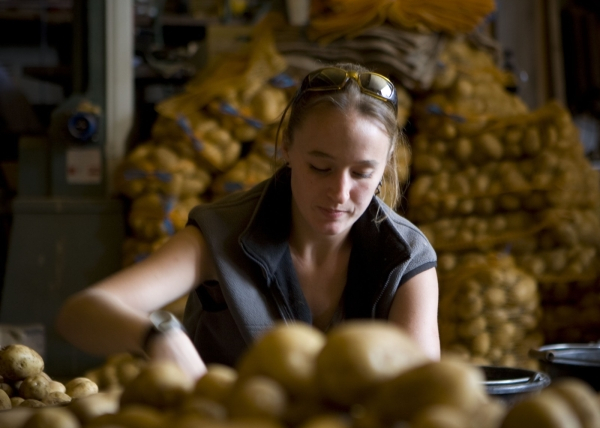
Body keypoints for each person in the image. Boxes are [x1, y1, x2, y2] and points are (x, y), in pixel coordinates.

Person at [56, 63, 440, 380]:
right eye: (320, 167)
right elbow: (81, 313)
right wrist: (159, 335)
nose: (339, 193)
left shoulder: (405, 256)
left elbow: (423, 392)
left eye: (361, 173)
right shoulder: (222, 233)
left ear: (387, 161)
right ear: (287, 148)